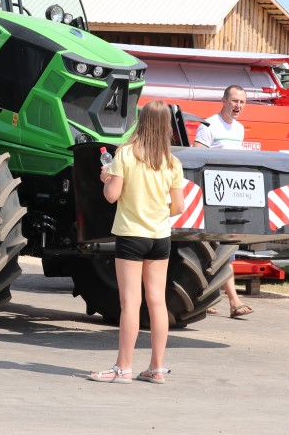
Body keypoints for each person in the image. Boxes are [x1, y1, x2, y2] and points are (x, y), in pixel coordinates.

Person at [88, 100, 186, 384]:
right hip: (160, 238)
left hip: (131, 235)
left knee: (130, 302)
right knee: (157, 302)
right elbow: (178, 206)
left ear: (141, 122)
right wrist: (155, 213)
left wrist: (106, 178)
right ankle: (156, 368)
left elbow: (111, 196)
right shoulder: (172, 162)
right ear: (167, 126)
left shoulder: (125, 155)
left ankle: (123, 367)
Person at [193, 85, 254, 319]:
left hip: (231, 196)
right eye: (234, 101)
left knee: (223, 248)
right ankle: (234, 301)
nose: (238, 106)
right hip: (211, 196)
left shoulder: (239, 129)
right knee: (220, 248)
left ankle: (206, 297)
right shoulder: (209, 125)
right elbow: (196, 156)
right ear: (224, 100)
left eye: (242, 102)